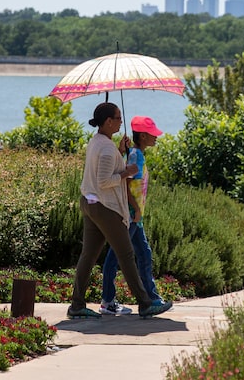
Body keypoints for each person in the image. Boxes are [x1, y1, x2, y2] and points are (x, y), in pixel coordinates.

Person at [67, 102, 173, 320]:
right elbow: (105, 181)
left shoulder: (97, 142)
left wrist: (119, 152)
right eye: (117, 118)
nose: (121, 121)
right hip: (105, 207)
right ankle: (145, 304)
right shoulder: (106, 148)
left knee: (88, 256)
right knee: (126, 255)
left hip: (90, 203)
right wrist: (128, 172)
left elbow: (104, 167)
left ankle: (77, 304)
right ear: (108, 121)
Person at [100, 116, 168, 315]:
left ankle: (152, 298)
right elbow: (127, 185)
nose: (156, 138)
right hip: (130, 216)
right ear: (144, 135)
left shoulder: (136, 154)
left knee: (144, 254)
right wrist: (136, 210)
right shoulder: (136, 156)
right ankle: (108, 300)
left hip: (136, 217)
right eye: (153, 134)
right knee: (115, 256)